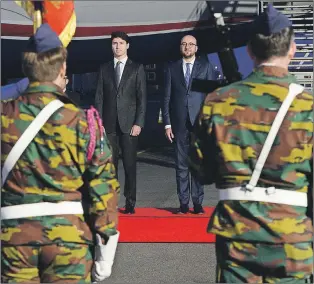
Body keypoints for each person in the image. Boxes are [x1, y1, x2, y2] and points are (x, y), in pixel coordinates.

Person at [190, 5, 313, 283]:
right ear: (292, 49)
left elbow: (201, 170)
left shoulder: (218, 103)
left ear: (249, 50)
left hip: (238, 242)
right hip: (292, 243)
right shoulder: (308, 108)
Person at [1, 23, 120, 283]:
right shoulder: (82, 121)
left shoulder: (4, 117)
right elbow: (103, 187)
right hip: (69, 240)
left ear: (26, 69)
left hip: (14, 239)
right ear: (62, 68)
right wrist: (106, 253)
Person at [162, 35, 216, 214]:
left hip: (199, 122)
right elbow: (166, 98)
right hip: (179, 124)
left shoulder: (206, 67)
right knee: (181, 164)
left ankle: (198, 202)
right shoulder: (172, 68)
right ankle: (183, 203)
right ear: (180, 47)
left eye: (191, 44)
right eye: (184, 44)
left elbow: (210, 98)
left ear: (196, 48)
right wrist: (167, 124)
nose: (187, 47)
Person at [95, 31, 147, 214]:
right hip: (108, 125)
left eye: (120, 43)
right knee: (110, 166)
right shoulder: (104, 68)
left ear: (127, 45)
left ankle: (130, 201)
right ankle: (112, 202)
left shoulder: (137, 68)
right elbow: (99, 98)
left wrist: (138, 123)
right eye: (114, 43)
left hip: (129, 125)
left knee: (130, 165)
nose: (117, 46)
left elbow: (142, 99)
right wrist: (98, 123)